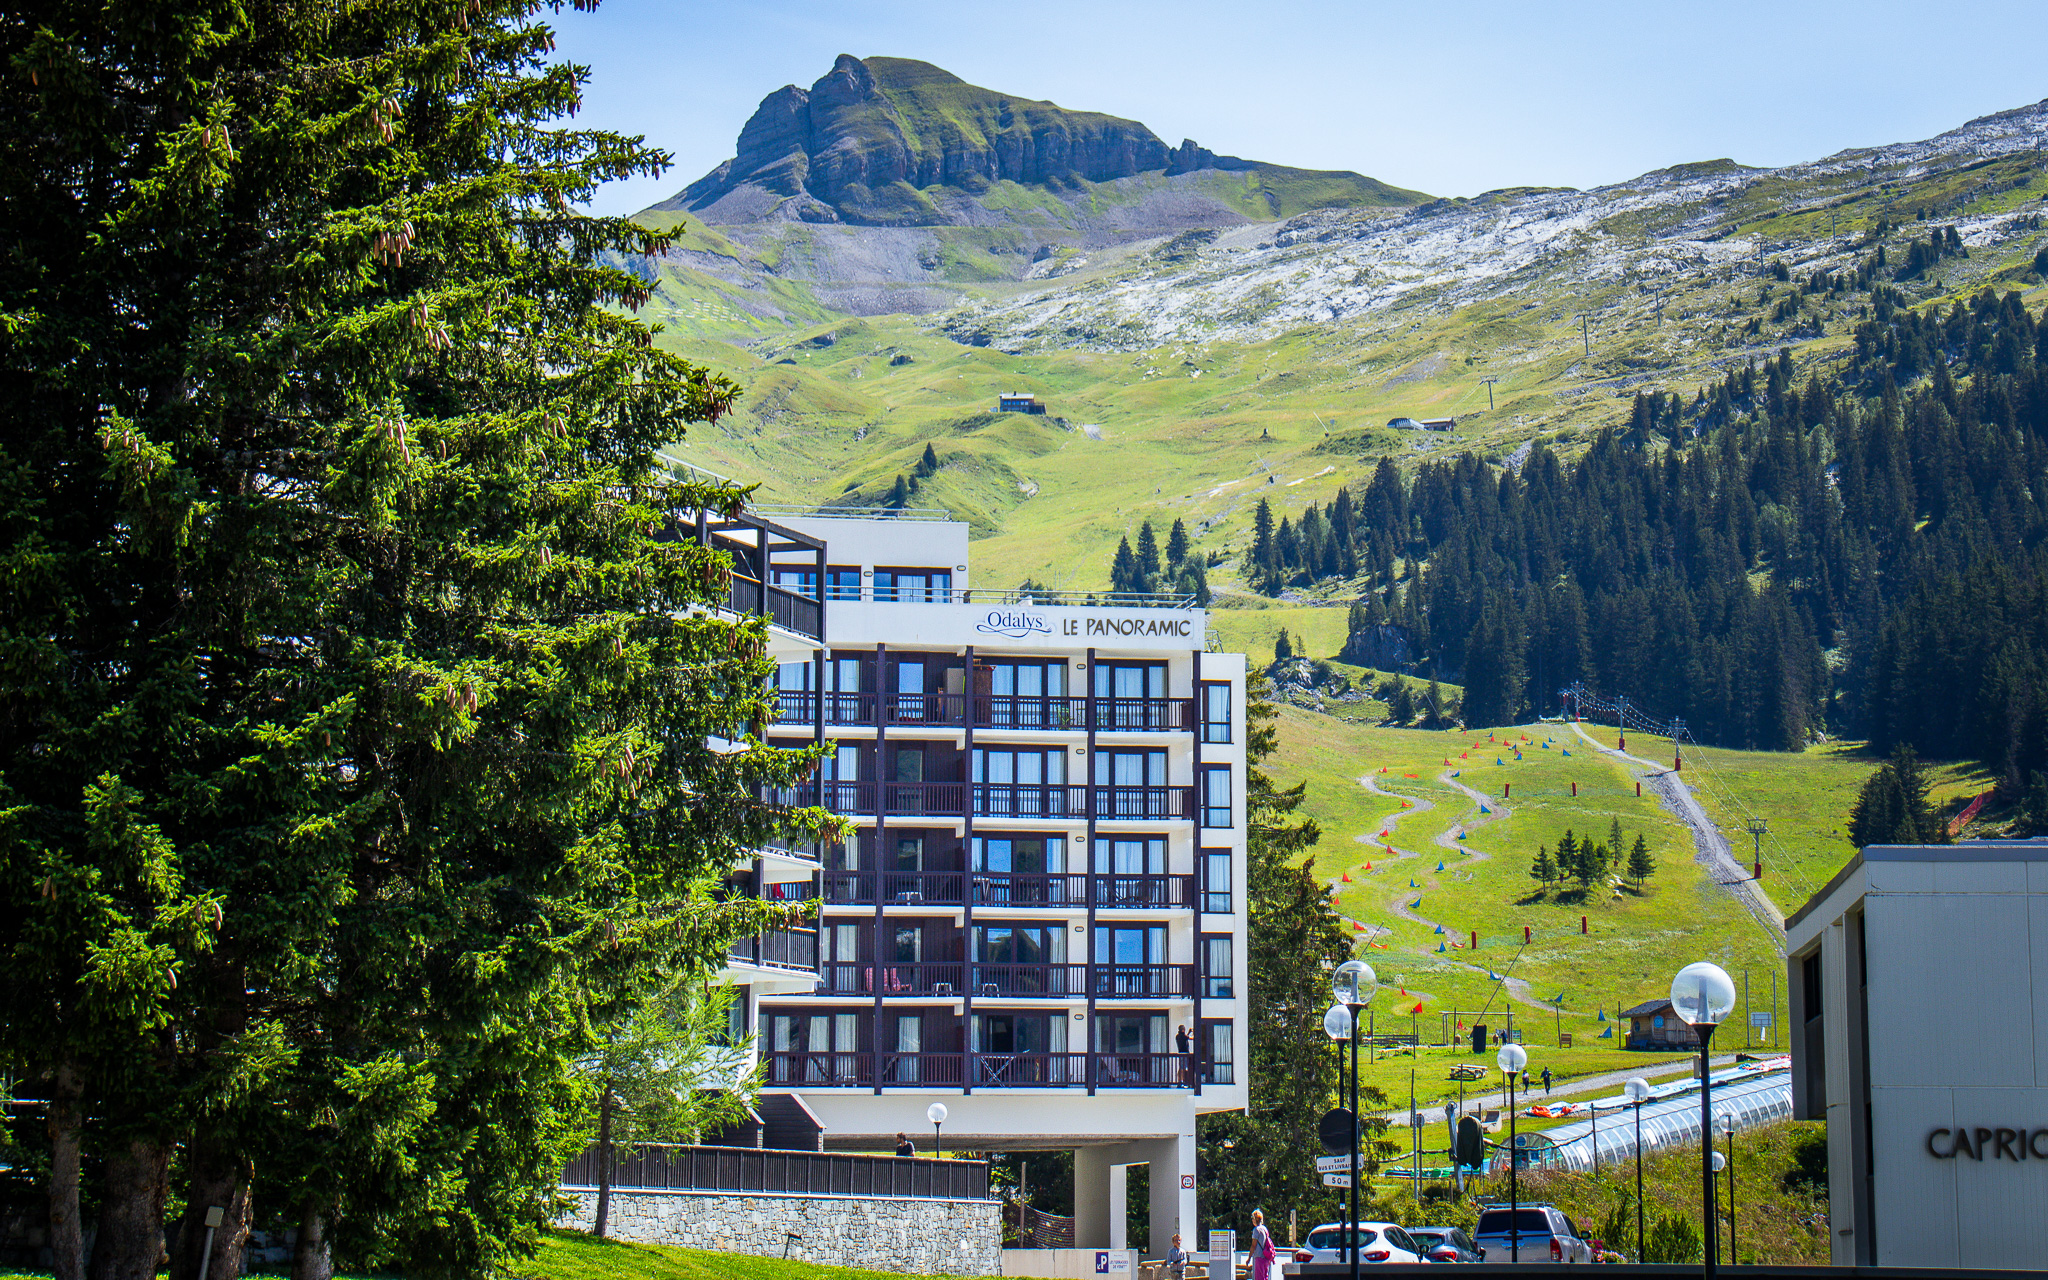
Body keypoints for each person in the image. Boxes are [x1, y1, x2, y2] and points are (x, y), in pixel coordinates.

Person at [1251, 1209, 1275, 1280]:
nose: (1252, 1220)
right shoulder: (1265, 1229)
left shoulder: (1256, 1230)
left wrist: (1249, 1257)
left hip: (1259, 1257)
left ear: (1256, 1219)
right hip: (1266, 1257)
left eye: (1253, 1218)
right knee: (1265, 1277)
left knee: (1259, 1277)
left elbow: (1253, 1245)